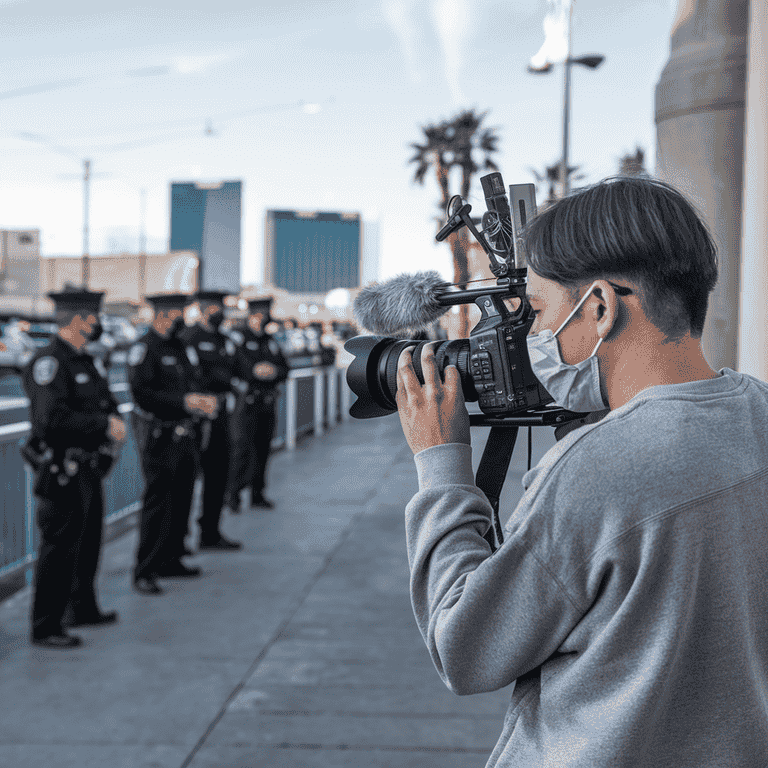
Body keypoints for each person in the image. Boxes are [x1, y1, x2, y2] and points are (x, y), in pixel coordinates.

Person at [394, 175, 768, 766]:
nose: (535, 337)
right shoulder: (758, 410)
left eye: (539, 311)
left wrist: (441, 466)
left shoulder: (597, 468)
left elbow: (466, 648)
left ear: (598, 307)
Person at [22, 288, 126, 649]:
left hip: (88, 467)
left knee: (89, 541)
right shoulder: (49, 362)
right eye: (94, 317)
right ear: (81, 320)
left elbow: (105, 400)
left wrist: (111, 420)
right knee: (59, 547)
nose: (99, 324)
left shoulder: (85, 361)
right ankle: (46, 625)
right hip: (61, 469)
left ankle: (82, 607)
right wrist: (102, 425)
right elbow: (50, 420)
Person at [127, 293, 219, 594]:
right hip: (160, 436)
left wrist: (201, 399)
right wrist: (184, 401)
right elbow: (143, 394)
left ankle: (172, 558)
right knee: (158, 502)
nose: (183, 319)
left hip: (186, 434)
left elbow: (193, 380)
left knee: (182, 499)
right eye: (178, 313)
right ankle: (146, 568)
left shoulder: (180, 346)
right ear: (164, 315)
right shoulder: (145, 348)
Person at [177, 291, 242, 550]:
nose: (218, 313)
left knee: (219, 475)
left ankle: (210, 532)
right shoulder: (188, 338)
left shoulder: (225, 340)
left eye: (220, 308)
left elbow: (239, 369)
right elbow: (190, 376)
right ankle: (178, 539)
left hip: (221, 415)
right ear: (203, 309)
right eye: (213, 308)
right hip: (197, 417)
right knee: (186, 479)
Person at [225, 297, 289, 511]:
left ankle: (257, 493)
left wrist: (274, 372)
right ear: (253, 315)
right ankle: (232, 495)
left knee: (263, 449)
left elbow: (285, 368)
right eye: (261, 314)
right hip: (246, 404)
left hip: (267, 402)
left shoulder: (269, 341)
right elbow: (234, 366)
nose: (264, 318)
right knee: (241, 449)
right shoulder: (239, 338)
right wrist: (254, 371)